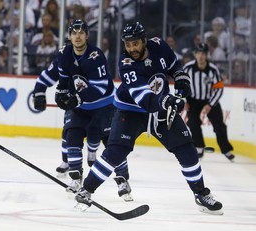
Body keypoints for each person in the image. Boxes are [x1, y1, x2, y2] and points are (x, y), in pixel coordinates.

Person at [74, 22, 223, 216]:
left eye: (135, 43)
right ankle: (86, 190)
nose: (131, 49)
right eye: (127, 45)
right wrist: (168, 100)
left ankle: (201, 194)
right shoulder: (126, 65)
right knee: (115, 153)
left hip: (161, 110)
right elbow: (145, 99)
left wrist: (181, 79)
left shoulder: (159, 45)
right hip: (131, 112)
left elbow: (174, 66)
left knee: (186, 148)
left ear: (144, 40)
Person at [54, 19, 132, 201]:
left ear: (87, 35)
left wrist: (76, 98)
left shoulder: (96, 56)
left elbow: (99, 87)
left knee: (112, 144)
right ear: (69, 36)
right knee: (72, 136)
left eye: (81, 33)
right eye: (74, 33)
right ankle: (75, 178)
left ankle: (123, 180)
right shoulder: (64, 53)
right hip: (80, 107)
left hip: (104, 107)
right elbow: (64, 77)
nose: (77, 36)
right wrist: (61, 92)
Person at [183, 43, 235, 161]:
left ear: (207, 55)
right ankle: (199, 147)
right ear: (195, 55)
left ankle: (225, 149)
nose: (201, 56)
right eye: (199, 53)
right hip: (193, 100)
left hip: (209, 100)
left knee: (219, 126)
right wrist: (183, 100)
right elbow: (181, 85)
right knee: (193, 123)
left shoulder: (213, 70)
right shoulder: (188, 68)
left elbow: (219, 88)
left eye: (203, 54)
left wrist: (210, 104)